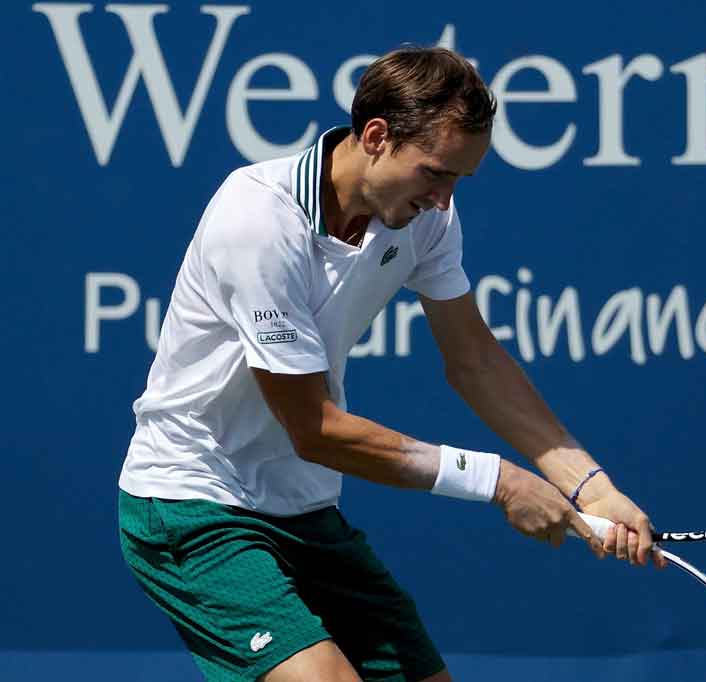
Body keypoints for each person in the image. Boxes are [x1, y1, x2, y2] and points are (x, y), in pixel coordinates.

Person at [117, 46, 666, 682]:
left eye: (459, 180)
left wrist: (592, 488)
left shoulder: (426, 217)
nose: (443, 199)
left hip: (302, 509)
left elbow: (476, 363)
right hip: (193, 502)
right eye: (435, 173)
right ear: (376, 136)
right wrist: (498, 481)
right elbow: (314, 429)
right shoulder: (258, 220)